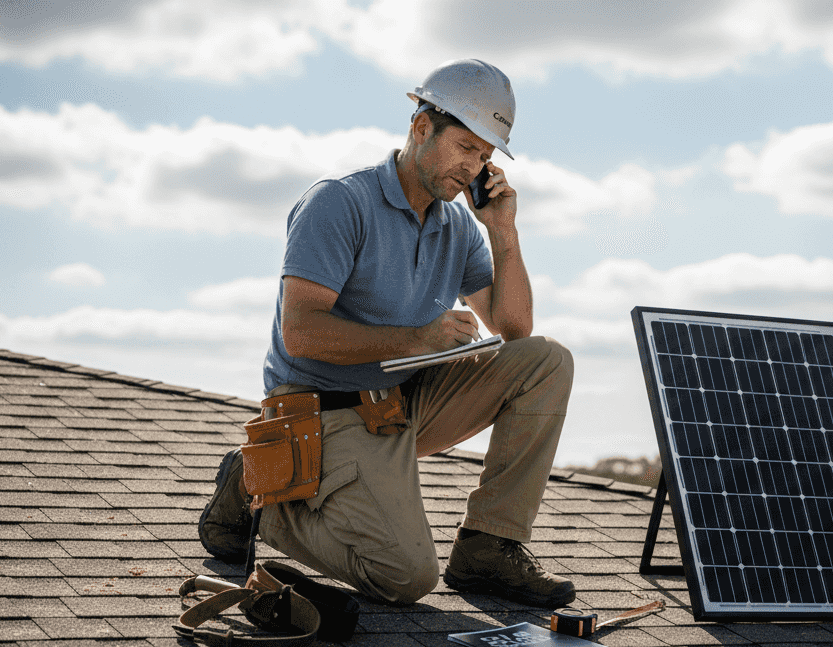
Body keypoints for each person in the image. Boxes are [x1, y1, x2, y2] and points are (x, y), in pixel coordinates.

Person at [198, 59, 575, 608]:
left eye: (485, 157)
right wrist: (417, 340)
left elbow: (515, 329)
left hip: (400, 402)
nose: (474, 168)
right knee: (405, 577)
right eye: (466, 148)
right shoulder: (338, 202)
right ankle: (263, 496)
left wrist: (503, 230)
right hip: (321, 409)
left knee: (546, 361)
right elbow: (301, 333)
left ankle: (489, 547)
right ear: (422, 128)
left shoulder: (459, 225)